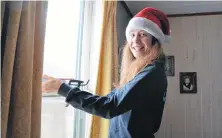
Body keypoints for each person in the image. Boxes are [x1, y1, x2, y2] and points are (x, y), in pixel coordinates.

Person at [42, 7, 170, 138]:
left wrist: (62, 89)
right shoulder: (142, 71)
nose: (135, 40)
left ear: (155, 40)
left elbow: (110, 106)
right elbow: (110, 100)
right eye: (132, 34)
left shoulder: (151, 73)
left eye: (143, 34)